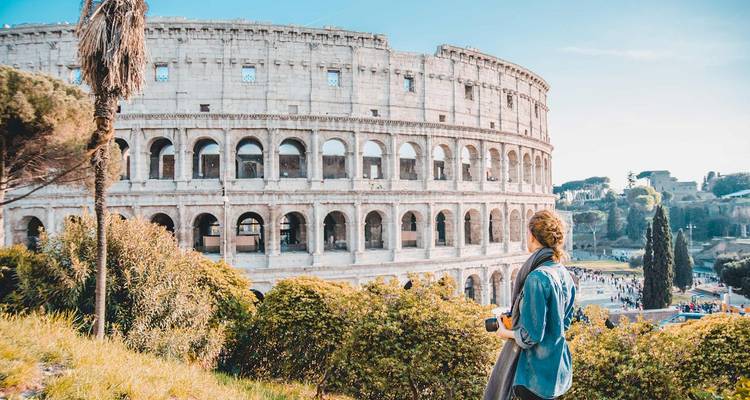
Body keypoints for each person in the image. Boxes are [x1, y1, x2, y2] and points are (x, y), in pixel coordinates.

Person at [483, 210, 576, 400]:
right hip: (556, 369)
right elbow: (564, 323)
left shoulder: (536, 278)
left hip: (534, 375)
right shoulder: (564, 274)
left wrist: (505, 332)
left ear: (533, 236)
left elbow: (530, 336)